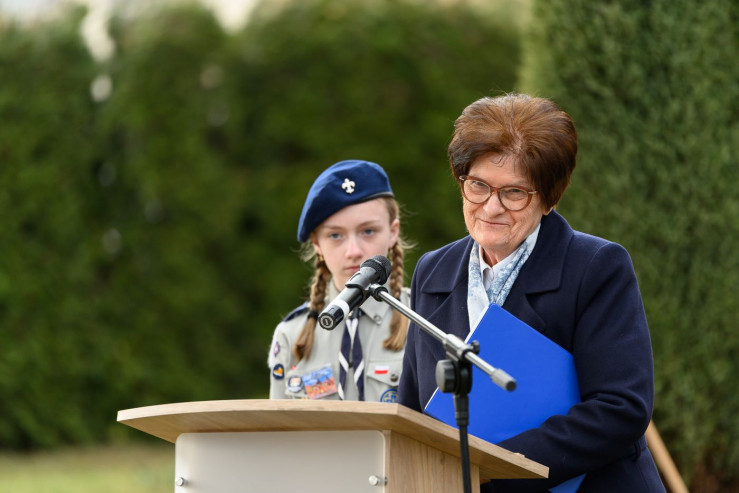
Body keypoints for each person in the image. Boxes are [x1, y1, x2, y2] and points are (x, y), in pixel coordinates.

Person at [397, 94, 665, 492]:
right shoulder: (433, 270)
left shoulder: (596, 267)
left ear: (549, 198)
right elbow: (412, 409)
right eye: (478, 185)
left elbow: (621, 409)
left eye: (514, 192)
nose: (491, 208)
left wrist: (490, 469)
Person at [268, 159, 411, 402]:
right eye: (335, 235)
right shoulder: (291, 334)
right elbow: (276, 424)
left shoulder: (423, 319)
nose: (353, 251)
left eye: (368, 231)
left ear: (393, 232)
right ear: (317, 244)